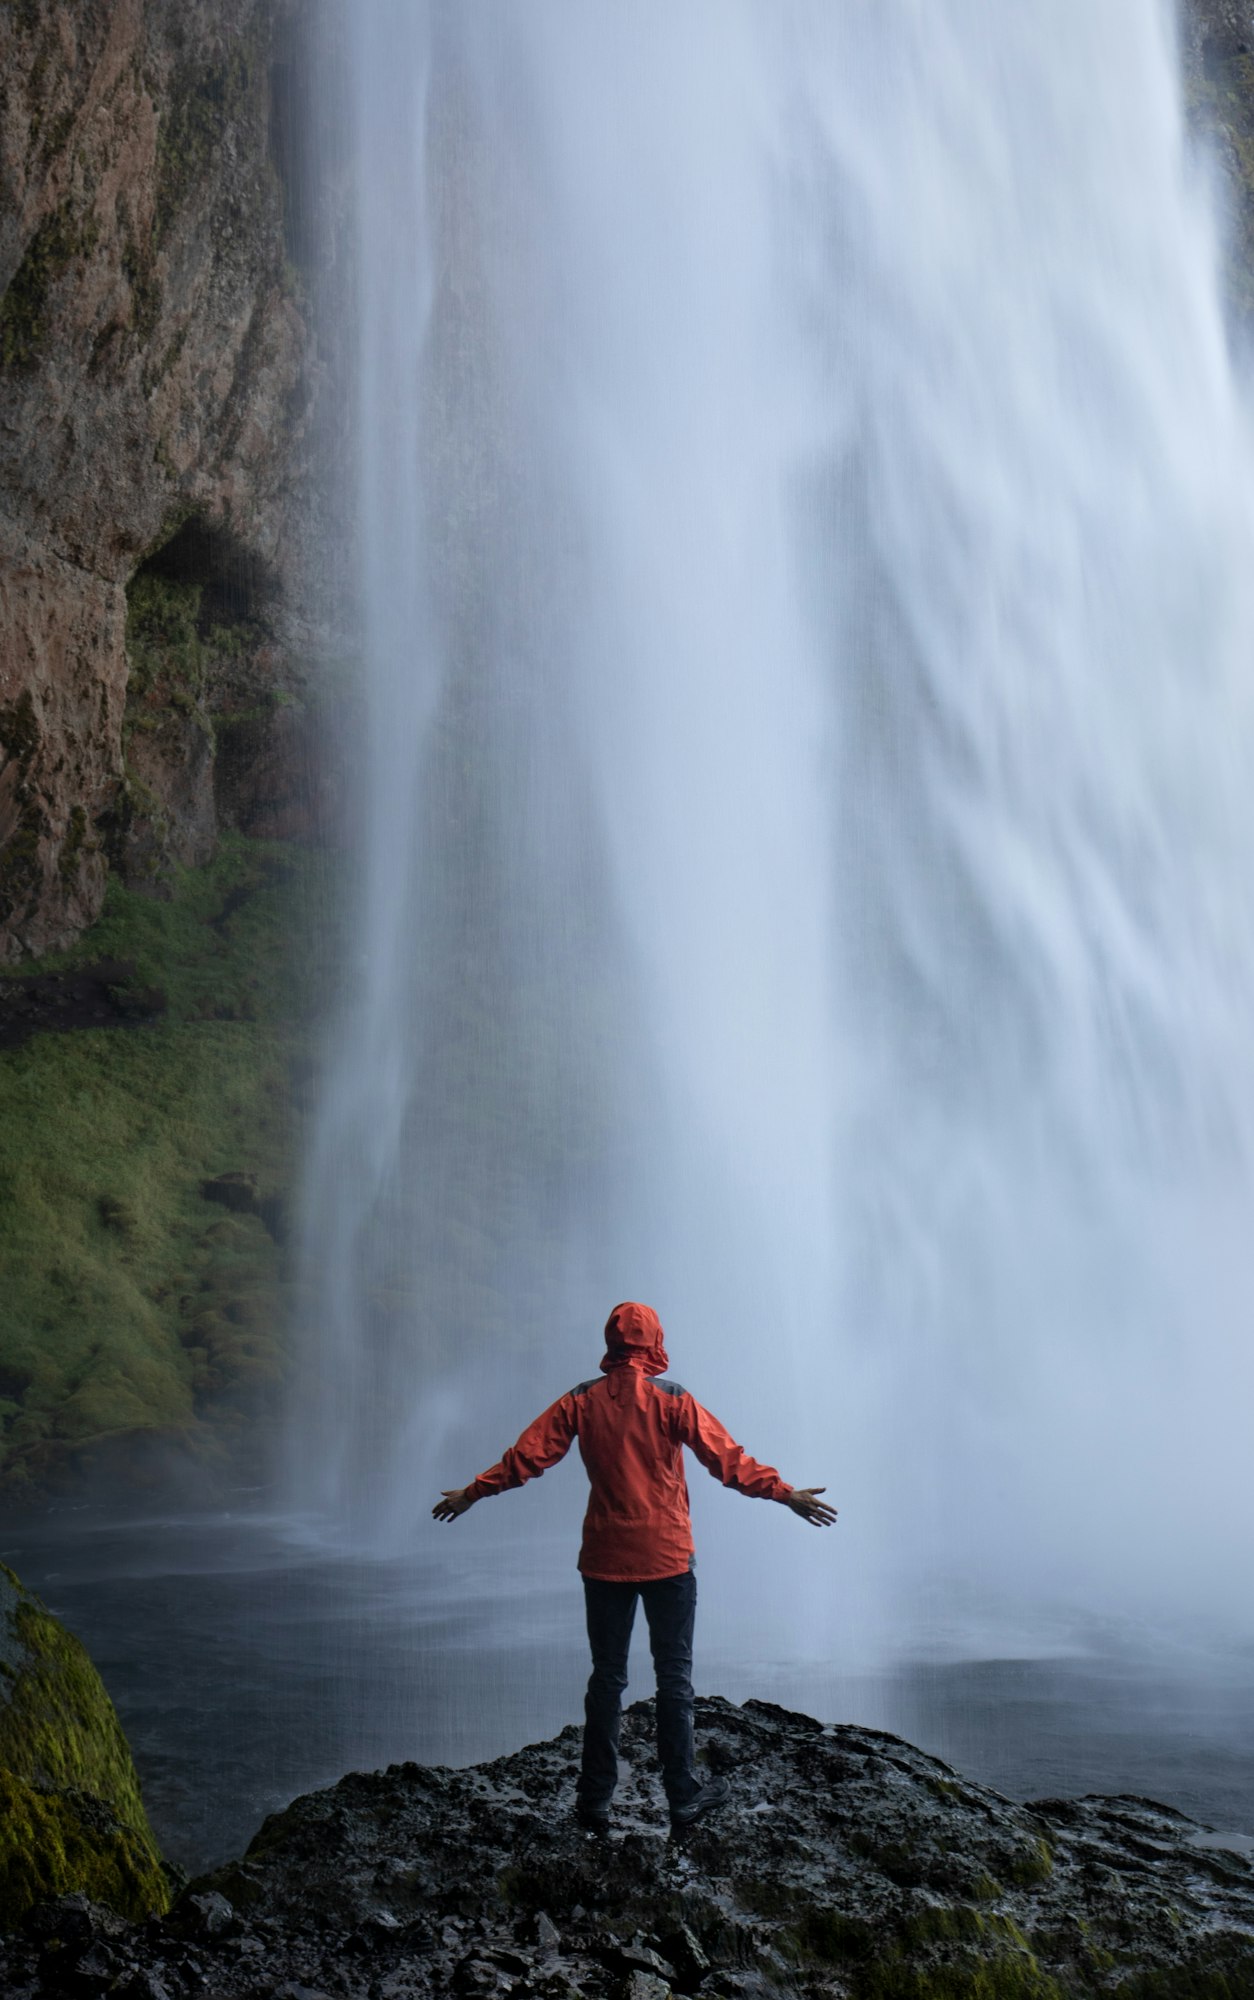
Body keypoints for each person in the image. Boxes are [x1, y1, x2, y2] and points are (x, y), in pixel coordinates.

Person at [432, 1299, 836, 1836]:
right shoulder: (673, 1400)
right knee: (675, 1678)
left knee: (607, 1679)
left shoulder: (581, 1401)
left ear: (611, 1343)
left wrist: (472, 1494)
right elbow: (727, 1460)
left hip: (604, 1558)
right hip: (667, 1557)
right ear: (655, 1343)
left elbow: (527, 1457)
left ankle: (594, 1800)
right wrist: (785, 1493)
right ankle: (682, 1796)